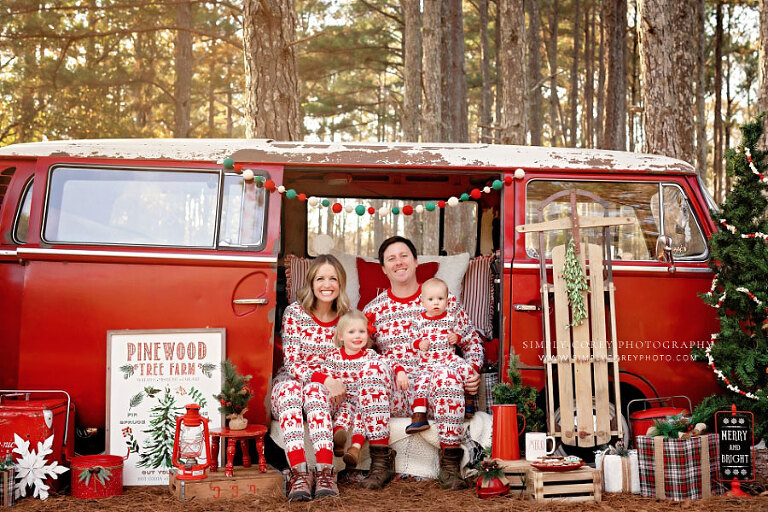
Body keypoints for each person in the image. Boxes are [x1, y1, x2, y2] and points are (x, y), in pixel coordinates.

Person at [360, 236, 483, 490]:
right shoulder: (374, 310)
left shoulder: (443, 301)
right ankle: (380, 462)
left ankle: (449, 465)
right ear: (383, 268)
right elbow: (358, 352)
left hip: (436, 391)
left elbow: (472, 342)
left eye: (404, 256)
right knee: (371, 366)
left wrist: (472, 372)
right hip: (398, 392)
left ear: (416, 262)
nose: (399, 262)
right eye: (391, 259)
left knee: (448, 374)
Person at [270, 254, 349, 501]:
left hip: (326, 391)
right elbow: (292, 363)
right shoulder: (295, 313)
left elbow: (350, 360)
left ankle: (326, 472)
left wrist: (327, 382)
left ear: (341, 283)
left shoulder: (347, 317)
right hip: (292, 384)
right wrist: (323, 378)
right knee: (290, 389)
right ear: (311, 283)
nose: (327, 284)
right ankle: (300, 473)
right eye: (320, 278)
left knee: (315, 391)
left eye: (333, 278)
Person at [319, 310, 407, 467]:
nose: (357, 336)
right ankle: (339, 436)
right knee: (344, 411)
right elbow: (326, 375)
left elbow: (391, 363)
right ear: (340, 336)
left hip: (364, 400)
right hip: (345, 399)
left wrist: (400, 372)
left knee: (363, 415)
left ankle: (355, 448)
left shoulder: (370, 355)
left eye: (362, 331)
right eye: (351, 332)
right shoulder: (333, 357)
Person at [405, 278, 477, 434]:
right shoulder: (419, 320)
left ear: (447, 300)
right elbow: (411, 340)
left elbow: (463, 335)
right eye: (431, 299)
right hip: (427, 363)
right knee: (421, 385)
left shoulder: (451, 317)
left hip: (448, 359)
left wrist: (456, 338)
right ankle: (419, 417)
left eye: (440, 299)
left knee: (466, 369)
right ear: (423, 301)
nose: (436, 303)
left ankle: (469, 401)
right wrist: (419, 343)